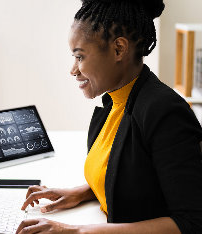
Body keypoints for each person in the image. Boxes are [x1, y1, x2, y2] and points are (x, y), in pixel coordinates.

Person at [17, 0, 202, 233]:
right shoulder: (115, 102)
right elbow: (135, 176)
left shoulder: (165, 112)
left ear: (119, 49)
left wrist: (76, 231)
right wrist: (79, 193)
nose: (73, 70)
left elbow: (192, 223)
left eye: (80, 57)